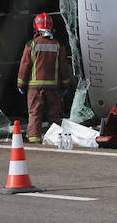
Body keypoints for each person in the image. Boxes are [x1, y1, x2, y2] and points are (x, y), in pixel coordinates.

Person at [17, 12, 71, 143]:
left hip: (35, 88)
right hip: (53, 87)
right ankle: (56, 139)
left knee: (35, 114)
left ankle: (34, 139)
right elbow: (64, 68)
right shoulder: (58, 45)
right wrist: (65, 85)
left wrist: (21, 85)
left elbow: (24, 66)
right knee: (54, 115)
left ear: (36, 27)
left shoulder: (32, 44)